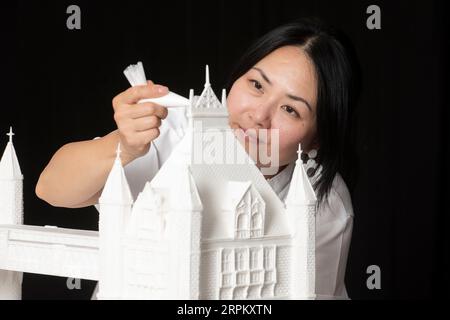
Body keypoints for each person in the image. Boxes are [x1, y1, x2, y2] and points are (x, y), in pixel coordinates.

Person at [35, 17, 359, 299]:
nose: (258, 115)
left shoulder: (322, 202)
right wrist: (125, 144)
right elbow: (51, 189)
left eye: (290, 109)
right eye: (256, 84)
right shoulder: (175, 133)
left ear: (317, 138)